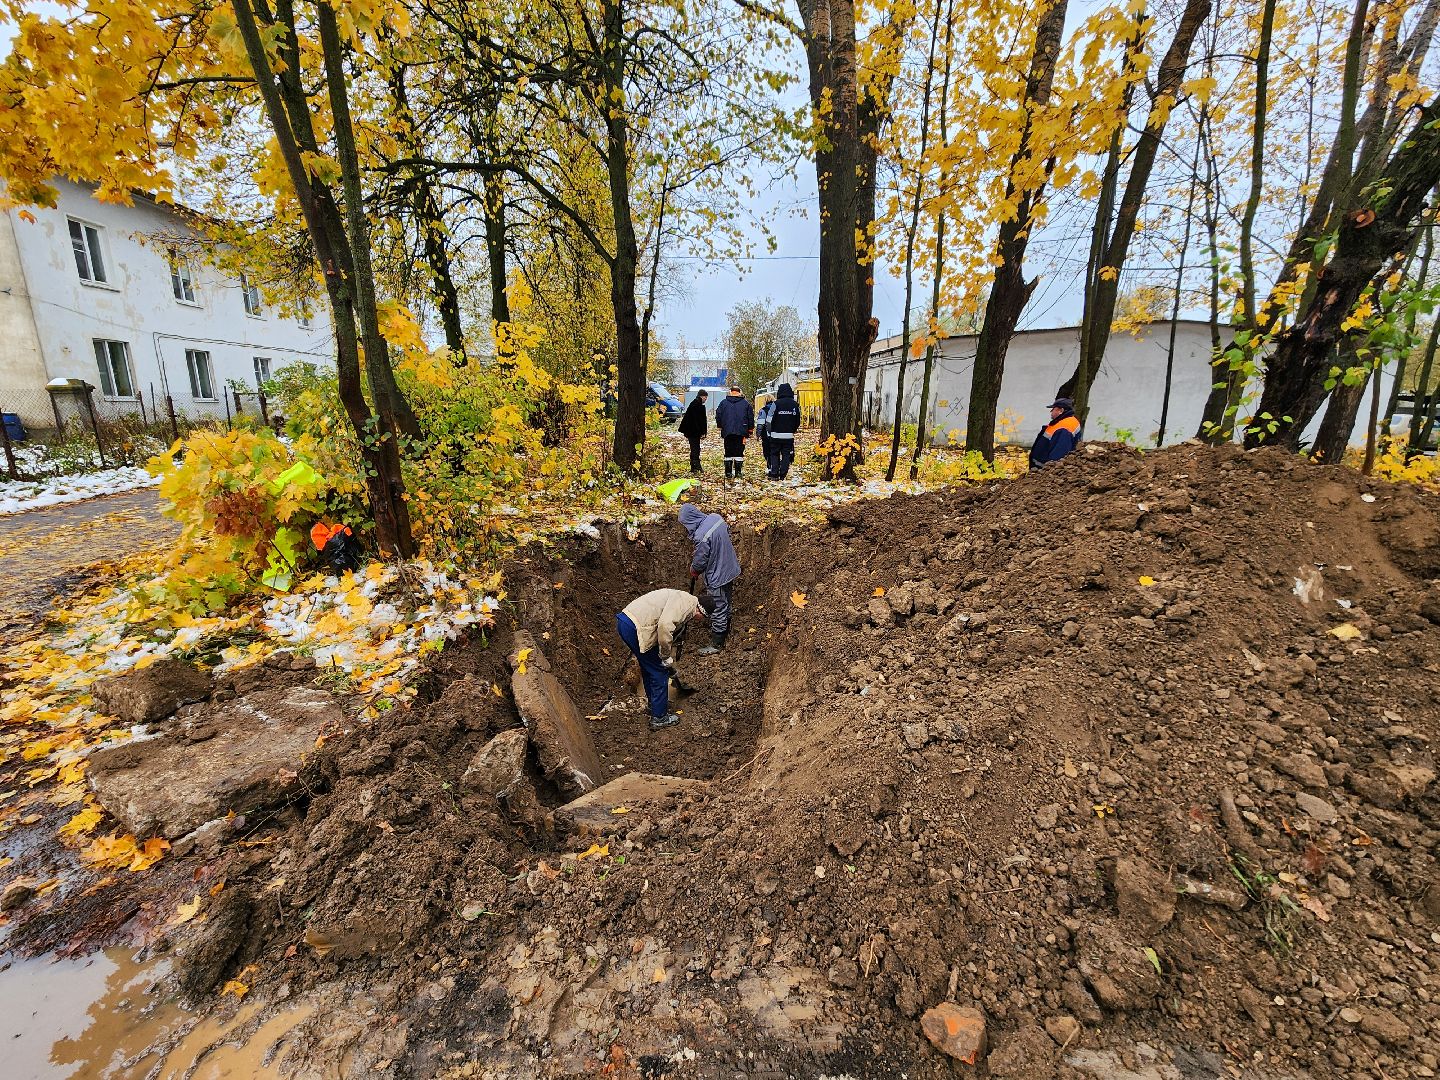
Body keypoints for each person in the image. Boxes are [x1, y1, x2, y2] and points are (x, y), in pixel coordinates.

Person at [616, 587, 710, 731]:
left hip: (627, 622)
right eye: (703, 618)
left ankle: (653, 705)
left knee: (649, 667)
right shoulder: (685, 607)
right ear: (701, 611)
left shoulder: (685, 600)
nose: (700, 621)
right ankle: (659, 717)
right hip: (635, 627)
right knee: (659, 671)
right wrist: (665, 656)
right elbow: (665, 626)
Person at [678, 503, 740, 654]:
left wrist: (694, 570)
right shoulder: (715, 518)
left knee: (718, 606)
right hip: (730, 567)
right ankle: (726, 626)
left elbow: (700, 561)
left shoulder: (701, 536)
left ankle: (717, 643)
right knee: (726, 599)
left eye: (685, 524)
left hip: (717, 574)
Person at [1030, 396, 1082, 468]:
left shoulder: (1063, 429)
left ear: (1061, 411)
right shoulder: (1068, 421)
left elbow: (1057, 457)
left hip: (1043, 471)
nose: (1051, 411)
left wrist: (1048, 471)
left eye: (1053, 409)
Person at [714, 385, 755, 479]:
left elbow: (718, 415)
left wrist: (720, 426)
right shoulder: (746, 404)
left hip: (727, 432)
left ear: (730, 392)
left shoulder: (723, 403)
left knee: (728, 451)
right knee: (739, 452)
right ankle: (738, 472)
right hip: (741, 432)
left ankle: (728, 473)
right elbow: (750, 417)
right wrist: (750, 430)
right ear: (739, 392)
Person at [767, 383, 801, 479]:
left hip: (775, 435)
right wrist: (792, 430)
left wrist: (769, 432)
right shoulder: (795, 405)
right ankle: (783, 473)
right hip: (788, 436)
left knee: (774, 454)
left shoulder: (776, 404)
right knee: (786, 454)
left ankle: (774, 474)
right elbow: (798, 420)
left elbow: (769, 420)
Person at [678, 389, 709, 475]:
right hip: (694, 432)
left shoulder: (694, 404)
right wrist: (702, 432)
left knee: (694, 448)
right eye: (705, 397)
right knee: (695, 449)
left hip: (691, 431)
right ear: (701, 396)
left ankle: (694, 466)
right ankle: (696, 466)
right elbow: (700, 421)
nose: (706, 399)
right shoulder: (698, 406)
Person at [755, 397, 776, 479]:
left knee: (767, 452)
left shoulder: (763, 410)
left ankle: (770, 467)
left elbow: (760, 423)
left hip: (766, 435)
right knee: (775, 451)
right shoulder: (777, 409)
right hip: (776, 433)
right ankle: (775, 467)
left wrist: (758, 434)